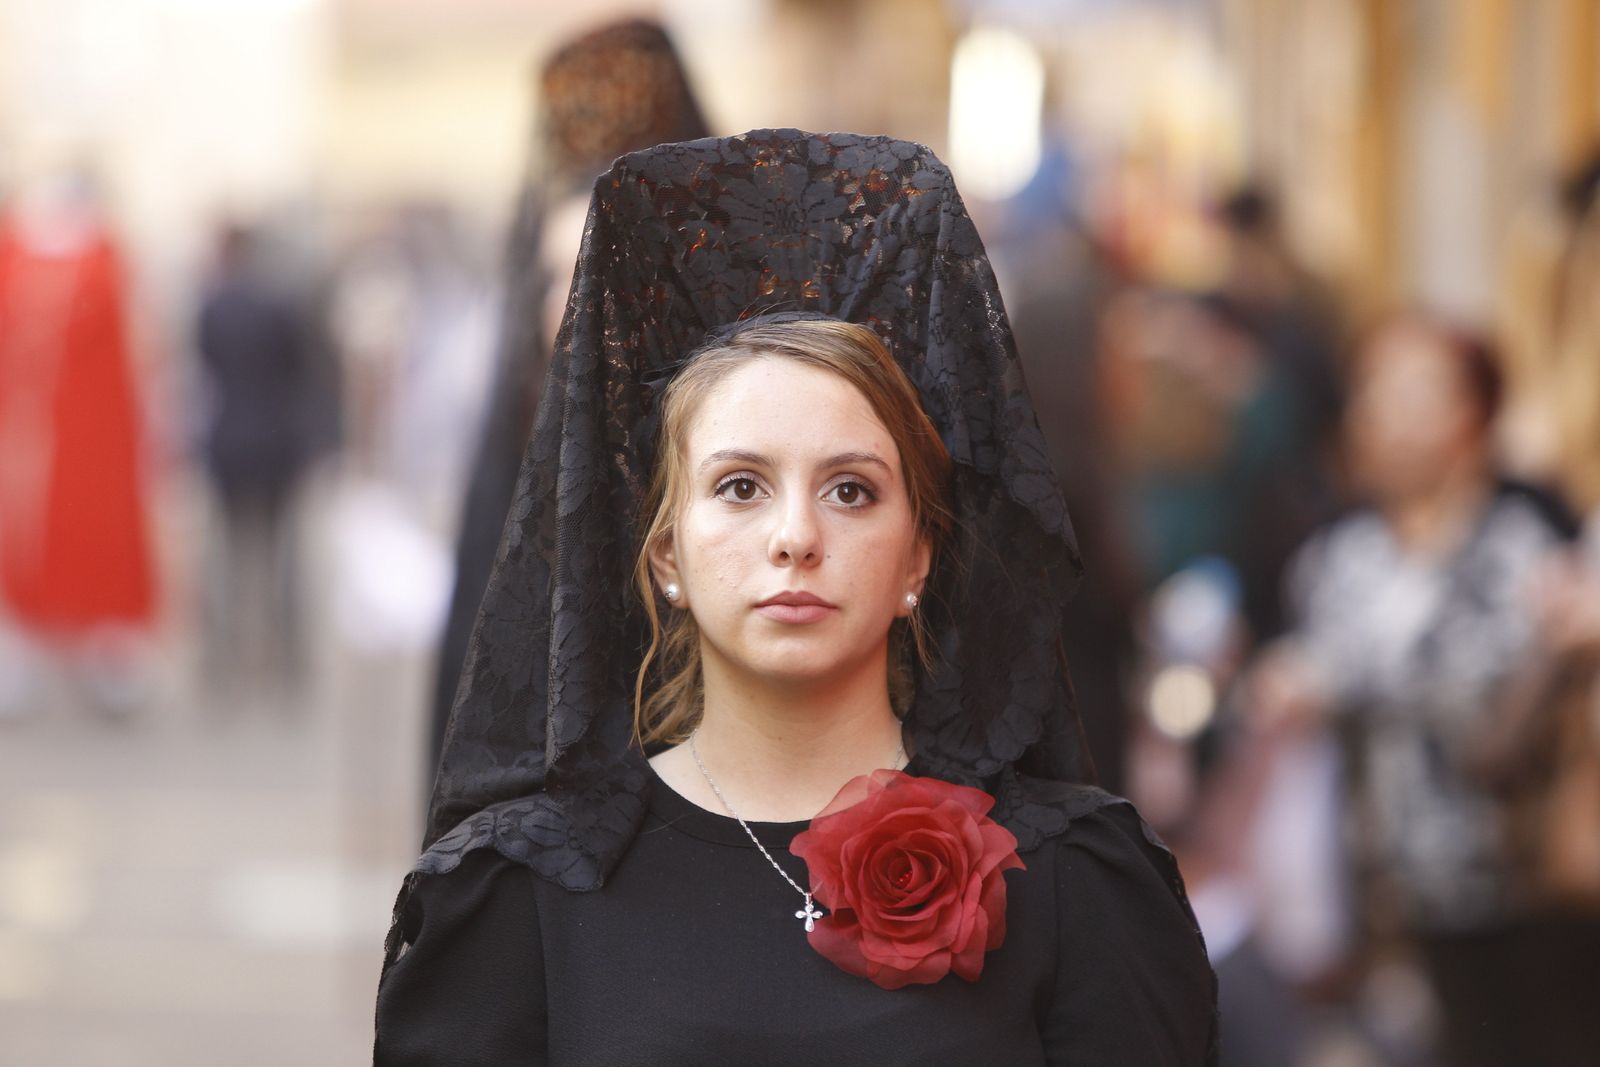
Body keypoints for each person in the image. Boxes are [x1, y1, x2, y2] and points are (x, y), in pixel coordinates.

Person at [374, 130, 1217, 1064]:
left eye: (850, 489)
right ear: (665, 555)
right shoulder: (519, 896)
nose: (795, 535)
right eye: (740, 486)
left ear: (919, 558)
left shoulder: (1068, 882)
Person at [1252, 313, 1574, 1066]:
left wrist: (1334, 678)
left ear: (1477, 414)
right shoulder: (1339, 557)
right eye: (1375, 391)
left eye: (1416, 392)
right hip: (1384, 904)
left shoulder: (1524, 544)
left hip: (1521, 897)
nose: (1387, 415)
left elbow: (1479, 686)